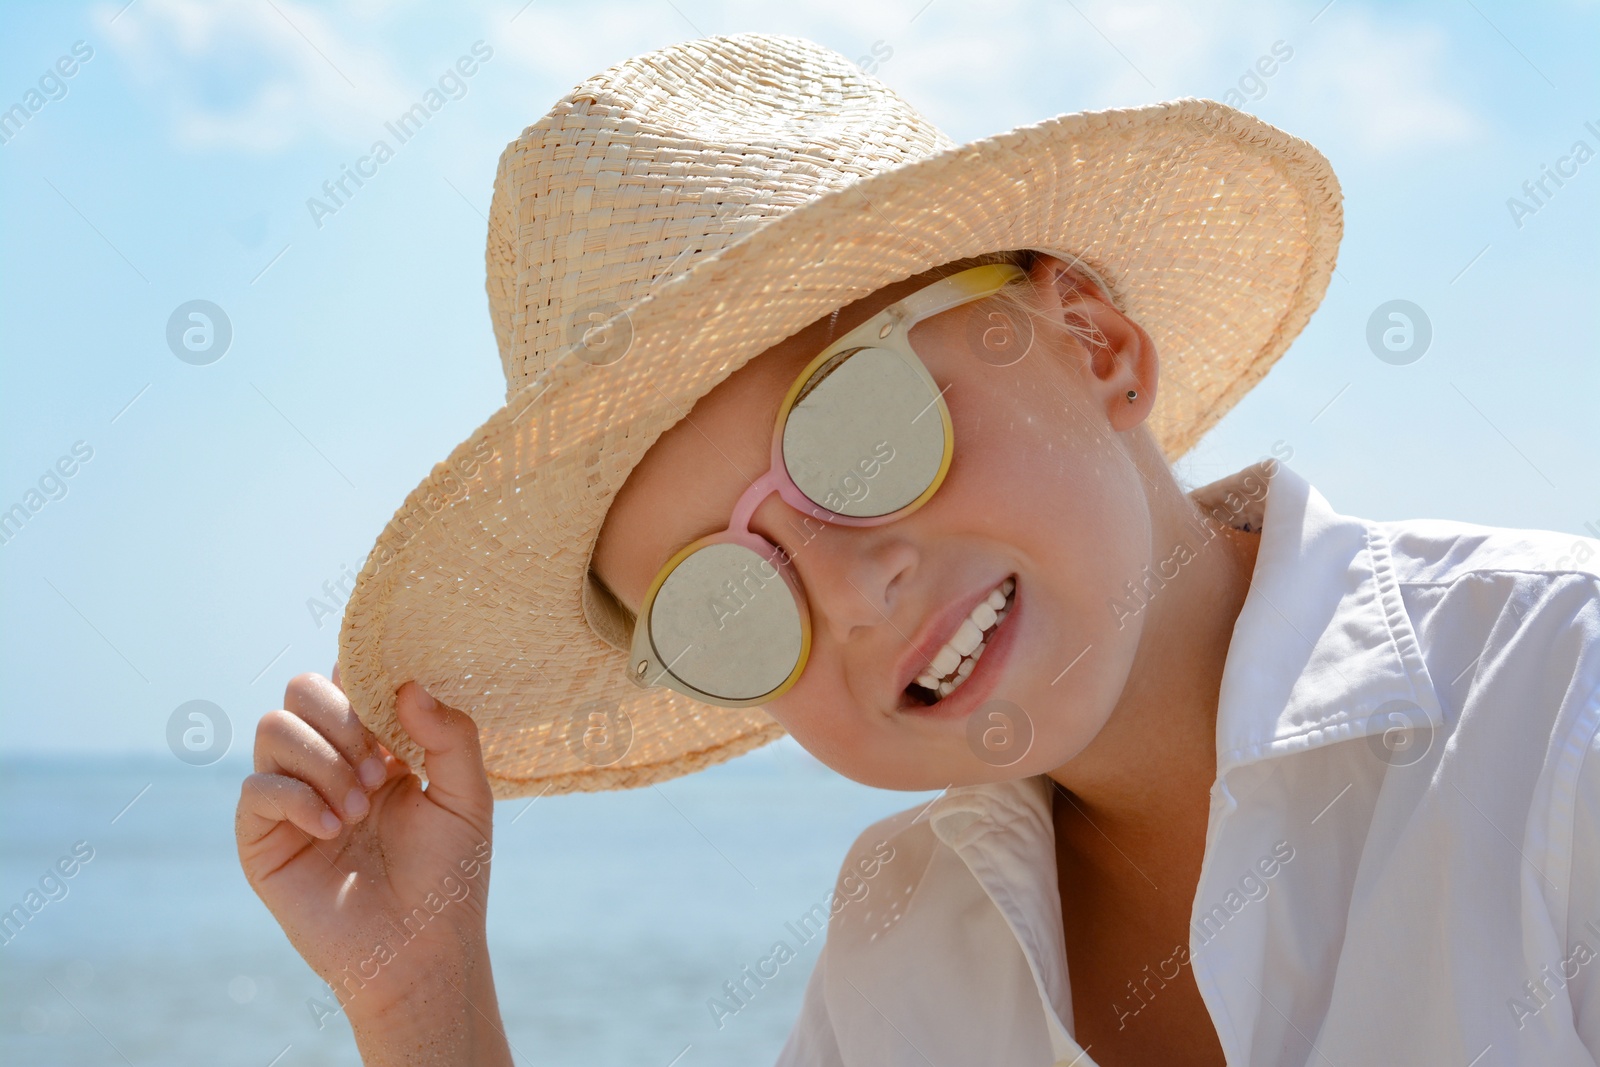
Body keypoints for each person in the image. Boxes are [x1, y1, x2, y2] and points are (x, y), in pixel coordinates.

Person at [235, 33, 1600, 1067]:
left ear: (1095, 343)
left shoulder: (1558, 719)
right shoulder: (901, 940)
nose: (849, 592)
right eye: (722, 604)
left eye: (861, 436)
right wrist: (424, 1004)